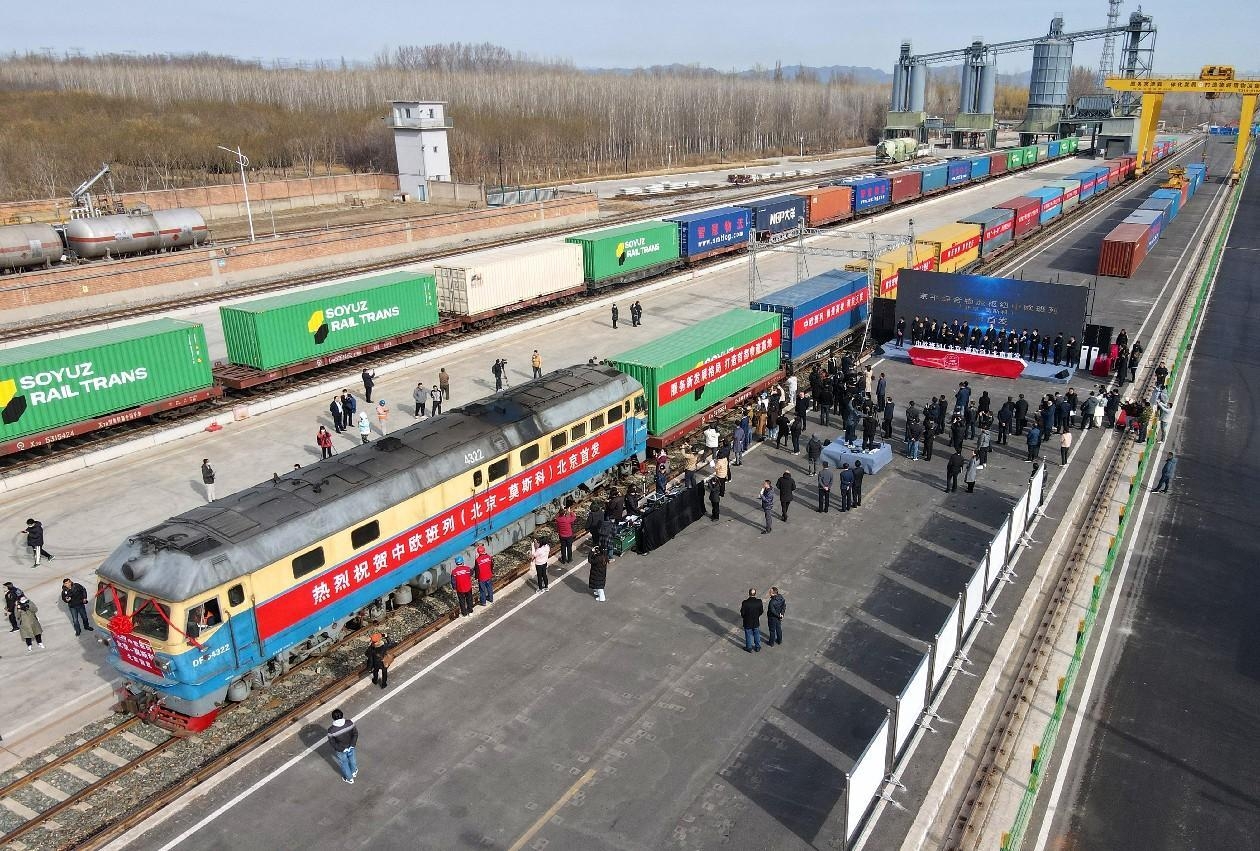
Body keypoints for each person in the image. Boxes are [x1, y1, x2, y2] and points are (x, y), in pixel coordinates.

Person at [326, 709, 358, 783]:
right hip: (351, 746)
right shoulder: (349, 723)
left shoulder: (331, 730)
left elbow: (332, 743)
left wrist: (342, 749)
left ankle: (349, 779)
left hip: (341, 750)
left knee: (344, 764)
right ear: (342, 715)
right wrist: (352, 745)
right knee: (352, 760)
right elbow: (355, 734)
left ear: (333, 718)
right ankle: (354, 771)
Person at [740, 588, 764, 653]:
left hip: (747, 622)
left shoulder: (745, 603)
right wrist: (757, 616)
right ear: (755, 594)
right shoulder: (759, 602)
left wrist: (745, 617)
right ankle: (758, 647)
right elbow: (761, 611)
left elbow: (742, 613)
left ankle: (749, 647)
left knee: (748, 635)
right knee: (756, 633)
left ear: (749, 593)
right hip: (756, 621)